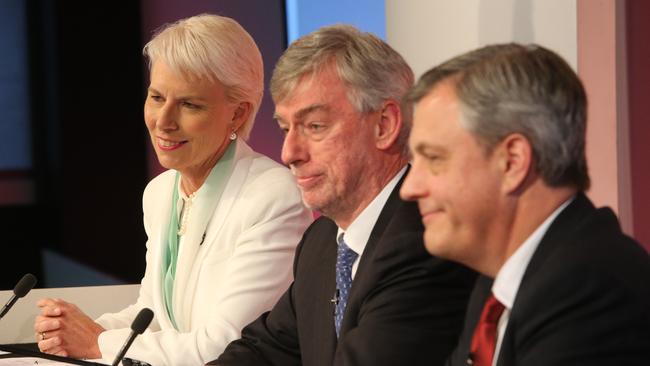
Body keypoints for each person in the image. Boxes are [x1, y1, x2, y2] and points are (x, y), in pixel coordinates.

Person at [32, 14, 313, 365]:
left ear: (238, 115)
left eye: (189, 104)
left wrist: (97, 341)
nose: (163, 121)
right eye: (156, 97)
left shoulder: (274, 196)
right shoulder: (160, 191)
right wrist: (76, 331)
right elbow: (151, 316)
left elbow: (226, 346)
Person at [210, 25, 477, 366]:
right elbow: (266, 351)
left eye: (315, 126)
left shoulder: (426, 240)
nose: (289, 152)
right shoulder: (322, 242)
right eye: (285, 128)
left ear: (385, 125)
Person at [400, 43, 650, 366]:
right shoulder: (495, 288)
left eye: (433, 158)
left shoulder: (589, 287)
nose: (409, 188)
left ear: (512, 162)